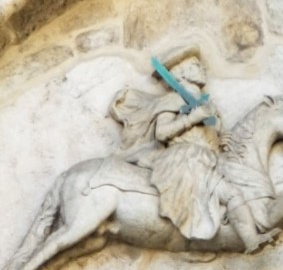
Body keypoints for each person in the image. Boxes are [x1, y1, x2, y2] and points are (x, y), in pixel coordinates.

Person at [110, 47, 273, 250]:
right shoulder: (173, 99)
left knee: (233, 192)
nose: (202, 68)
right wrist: (190, 119)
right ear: (182, 73)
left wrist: (221, 138)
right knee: (231, 194)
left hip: (208, 159)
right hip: (185, 160)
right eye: (195, 66)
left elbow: (207, 135)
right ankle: (249, 241)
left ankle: (249, 239)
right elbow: (162, 133)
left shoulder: (207, 104)